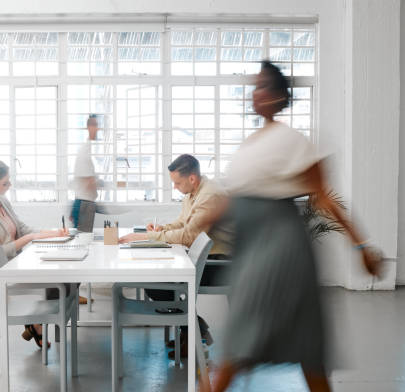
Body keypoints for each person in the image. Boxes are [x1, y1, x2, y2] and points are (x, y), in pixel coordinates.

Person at [205, 61, 382, 392]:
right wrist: (200, 225)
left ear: (276, 96)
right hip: (254, 249)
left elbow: (325, 197)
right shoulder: (252, 143)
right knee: (304, 350)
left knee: (243, 341)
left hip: (279, 251)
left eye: (260, 86)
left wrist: (362, 246)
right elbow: (235, 198)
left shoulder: (292, 140)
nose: (253, 94)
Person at [119, 154, 233, 359]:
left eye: (177, 182)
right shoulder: (194, 192)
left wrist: (148, 236)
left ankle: (193, 331)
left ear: (191, 178)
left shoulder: (210, 196)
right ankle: (194, 328)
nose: (175, 187)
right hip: (205, 259)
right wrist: (162, 228)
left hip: (220, 265)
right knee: (154, 279)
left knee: (157, 282)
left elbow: (189, 236)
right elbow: (183, 224)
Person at [0, 159, 72, 347]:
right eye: (5, 183)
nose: (10, 185)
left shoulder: (1, 201)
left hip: (17, 263)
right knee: (62, 278)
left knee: (68, 276)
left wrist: (54, 233)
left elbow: (22, 228)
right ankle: (42, 323)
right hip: (5, 270)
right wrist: (31, 238)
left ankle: (40, 323)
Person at [70, 114, 103, 229]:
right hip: (84, 205)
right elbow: (89, 184)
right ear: (89, 127)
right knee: (83, 242)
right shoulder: (84, 151)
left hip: (84, 204)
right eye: (95, 125)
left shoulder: (88, 150)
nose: (98, 129)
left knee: (84, 240)